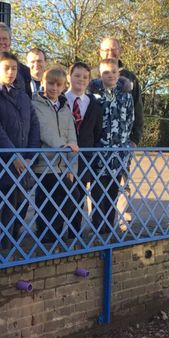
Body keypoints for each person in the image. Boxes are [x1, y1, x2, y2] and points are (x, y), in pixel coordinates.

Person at [0, 52, 41, 249]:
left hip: (23, 165)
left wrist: (29, 156)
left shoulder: (23, 96)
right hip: (0, 164)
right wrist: (13, 155)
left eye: (14, 68)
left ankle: (8, 251)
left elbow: (34, 126)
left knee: (14, 210)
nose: (10, 72)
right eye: (6, 68)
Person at [31, 66, 79, 243]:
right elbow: (44, 129)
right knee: (46, 204)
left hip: (62, 165)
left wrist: (71, 165)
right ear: (43, 82)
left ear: (63, 86)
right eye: (50, 83)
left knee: (69, 199)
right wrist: (62, 146)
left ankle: (54, 236)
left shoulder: (65, 107)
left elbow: (71, 135)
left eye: (58, 85)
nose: (54, 88)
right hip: (45, 164)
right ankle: (45, 237)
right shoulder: (36, 103)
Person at [89, 58, 134, 235]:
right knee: (98, 193)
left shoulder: (126, 96)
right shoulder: (93, 94)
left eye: (114, 72)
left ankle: (108, 231)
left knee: (112, 194)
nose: (111, 75)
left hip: (119, 154)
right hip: (100, 153)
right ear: (100, 74)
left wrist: (125, 145)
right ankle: (98, 231)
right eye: (107, 72)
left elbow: (130, 120)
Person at [65, 61, 103, 235]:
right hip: (61, 158)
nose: (81, 79)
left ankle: (74, 233)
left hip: (84, 159)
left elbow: (97, 133)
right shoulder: (60, 100)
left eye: (85, 77)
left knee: (78, 197)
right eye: (77, 75)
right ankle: (50, 236)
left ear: (89, 81)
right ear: (69, 77)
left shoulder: (94, 104)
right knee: (56, 196)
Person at [97, 37, 143, 145]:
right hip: (95, 144)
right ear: (100, 52)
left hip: (122, 143)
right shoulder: (90, 76)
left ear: (120, 51)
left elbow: (137, 110)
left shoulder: (131, 78)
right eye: (106, 50)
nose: (110, 53)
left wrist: (135, 139)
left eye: (113, 49)